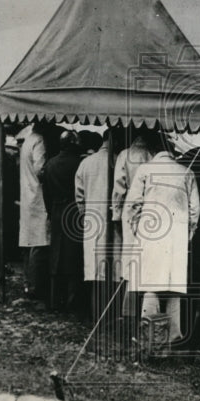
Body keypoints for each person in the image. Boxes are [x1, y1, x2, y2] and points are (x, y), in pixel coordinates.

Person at [123, 137, 200, 345]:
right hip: (177, 237)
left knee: (151, 283)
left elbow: (132, 205)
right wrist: (187, 234)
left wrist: (136, 228)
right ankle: (174, 335)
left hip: (151, 233)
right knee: (173, 286)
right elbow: (195, 211)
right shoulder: (187, 172)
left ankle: (149, 335)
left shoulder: (145, 170)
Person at [75, 131, 118, 337]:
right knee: (114, 270)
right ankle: (111, 316)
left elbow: (79, 195)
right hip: (114, 224)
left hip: (92, 222)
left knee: (95, 271)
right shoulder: (118, 161)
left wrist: (85, 215)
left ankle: (96, 315)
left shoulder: (86, 163)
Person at [112, 129, 154, 336]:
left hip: (130, 207)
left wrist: (116, 215)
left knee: (128, 261)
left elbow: (119, 188)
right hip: (149, 207)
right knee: (145, 261)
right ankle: (144, 310)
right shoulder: (152, 155)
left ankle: (127, 311)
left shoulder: (124, 154)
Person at [41, 130, 84, 313]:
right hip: (74, 211)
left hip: (56, 210)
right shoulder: (79, 163)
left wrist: (51, 211)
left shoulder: (50, 164)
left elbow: (46, 193)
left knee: (56, 256)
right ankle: (72, 302)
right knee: (73, 257)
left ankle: (53, 300)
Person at [19, 122, 50, 301]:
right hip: (37, 196)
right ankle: (36, 286)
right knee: (39, 243)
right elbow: (40, 170)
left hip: (28, 195)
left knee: (29, 243)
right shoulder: (39, 141)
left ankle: (27, 283)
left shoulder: (28, 140)